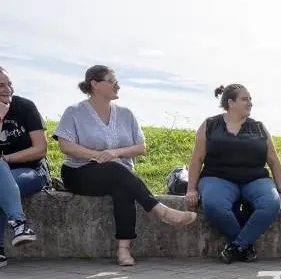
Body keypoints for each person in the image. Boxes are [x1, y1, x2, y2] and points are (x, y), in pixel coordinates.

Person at [54, 65, 196, 266]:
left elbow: (141, 147)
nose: (117, 86)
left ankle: (123, 250)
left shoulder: (126, 114)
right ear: (95, 84)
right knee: (117, 171)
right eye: (112, 81)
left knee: (122, 185)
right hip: (79, 173)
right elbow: (66, 146)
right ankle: (160, 211)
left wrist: (115, 153)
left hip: (119, 174)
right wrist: (98, 156)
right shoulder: (74, 112)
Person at [186, 84, 281, 264]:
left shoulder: (259, 128)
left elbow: (274, 160)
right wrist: (191, 189)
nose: (250, 103)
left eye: (250, 99)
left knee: (271, 204)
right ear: (230, 102)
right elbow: (197, 159)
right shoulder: (210, 124)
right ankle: (245, 246)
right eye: (245, 99)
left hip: (255, 179)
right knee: (214, 205)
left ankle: (237, 245)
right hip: (217, 178)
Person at [0, 66, 42, 267]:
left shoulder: (25, 107)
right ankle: (20, 225)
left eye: (9, 84)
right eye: (1, 85)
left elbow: (40, 149)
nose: (7, 89)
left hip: (32, 170)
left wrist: (5, 160)